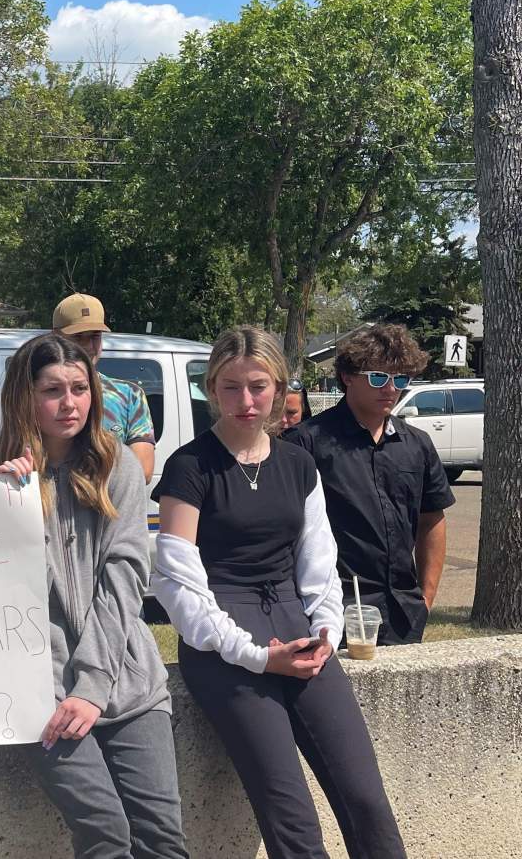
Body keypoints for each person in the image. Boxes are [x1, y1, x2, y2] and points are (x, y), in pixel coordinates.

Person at [151, 325, 405, 859]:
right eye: (231, 387)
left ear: (280, 387)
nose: (246, 401)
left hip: (299, 629)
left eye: (259, 386)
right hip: (224, 641)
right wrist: (251, 654)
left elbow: (319, 562)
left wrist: (325, 633)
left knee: (366, 800)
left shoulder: (298, 464)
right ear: (211, 389)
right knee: (291, 815)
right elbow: (177, 580)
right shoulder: (188, 469)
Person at [0, 333, 188, 859]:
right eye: (52, 390)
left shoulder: (119, 466)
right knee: (106, 836)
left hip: (128, 681)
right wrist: (0, 507)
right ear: (24, 396)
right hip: (38, 691)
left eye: (79, 387)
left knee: (161, 838)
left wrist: (92, 685)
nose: (69, 403)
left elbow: (126, 578)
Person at [285, 324, 454, 644]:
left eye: (401, 379)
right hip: (333, 614)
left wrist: (425, 600)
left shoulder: (417, 444)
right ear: (348, 376)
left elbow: (432, 520)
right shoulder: (305, 443)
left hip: (404, 613)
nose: (391, 389)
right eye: (379, 377)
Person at [53, 293, 157, 482]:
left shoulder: (129, 396)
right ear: (55, 338)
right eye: (78, 337)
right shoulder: (36, 395)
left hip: (113, 508)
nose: (89, 346)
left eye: (95, 336)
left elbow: (143, 471)